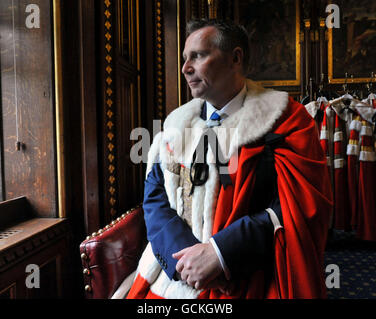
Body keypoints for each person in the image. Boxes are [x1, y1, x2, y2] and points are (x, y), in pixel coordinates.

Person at [125, 19, 333, 299]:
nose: (186, 68)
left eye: (197, 56)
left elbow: (302, 205)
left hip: (250, 276)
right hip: (174, 277)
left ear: (235, 58)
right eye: (185, 58)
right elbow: (154, 199)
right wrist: (186, 265)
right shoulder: (176, 126)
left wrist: (219, 255)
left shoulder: (285, 121)